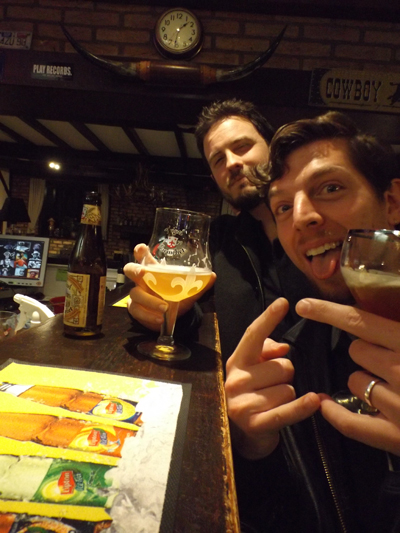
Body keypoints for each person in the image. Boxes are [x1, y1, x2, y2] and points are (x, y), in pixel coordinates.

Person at [225, 111, 400, 532]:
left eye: (330, 188)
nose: (302, 216)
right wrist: (252, 447)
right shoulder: (296, 360)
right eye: (283, 207)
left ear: (392, 202)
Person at [124, 99, 309, 361]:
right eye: (219, 159)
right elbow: (198, 319)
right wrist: (166, 312)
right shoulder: (218, 238)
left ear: (272, 148)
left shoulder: (319, 227)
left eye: (242, 147)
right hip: (231, 385)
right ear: (214, 179)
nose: (232, 163)